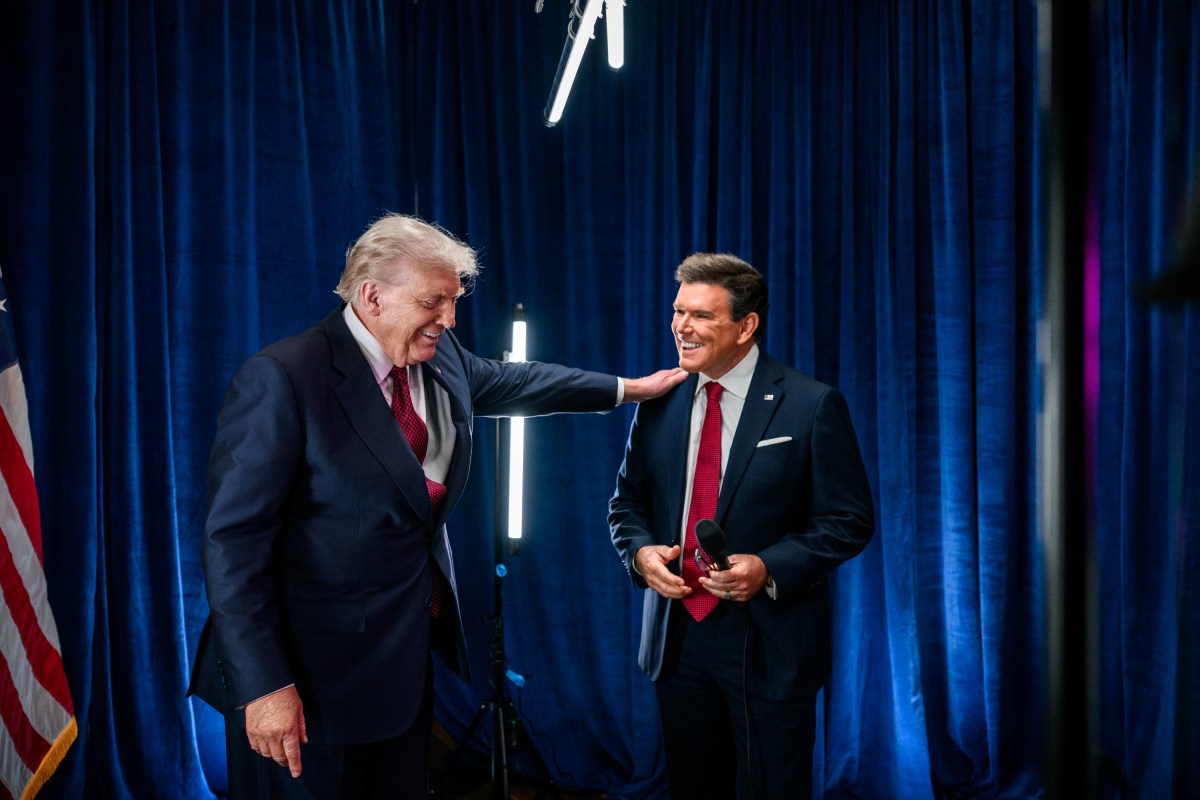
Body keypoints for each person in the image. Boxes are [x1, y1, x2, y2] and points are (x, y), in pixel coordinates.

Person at [188, 213, 686, 799]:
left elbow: (514, 381)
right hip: (303, 686)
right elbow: (234, 546)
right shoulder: (284, 378)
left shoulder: (438, 355)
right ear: (372, 295)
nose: (449, 320)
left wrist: (629, 389)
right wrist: (265, 686)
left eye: (453, 301)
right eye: (436, 301)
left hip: (401, 671)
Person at [609, 252, 875, 799]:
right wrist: (639, 554)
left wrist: (768, 567)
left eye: (701, 315)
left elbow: (848, 520)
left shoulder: (811, 404)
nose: (682, 326)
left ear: (746, 325)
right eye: (679, 311)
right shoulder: (660, 400)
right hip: (677, 637)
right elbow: (626, 504)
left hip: (769, 640)